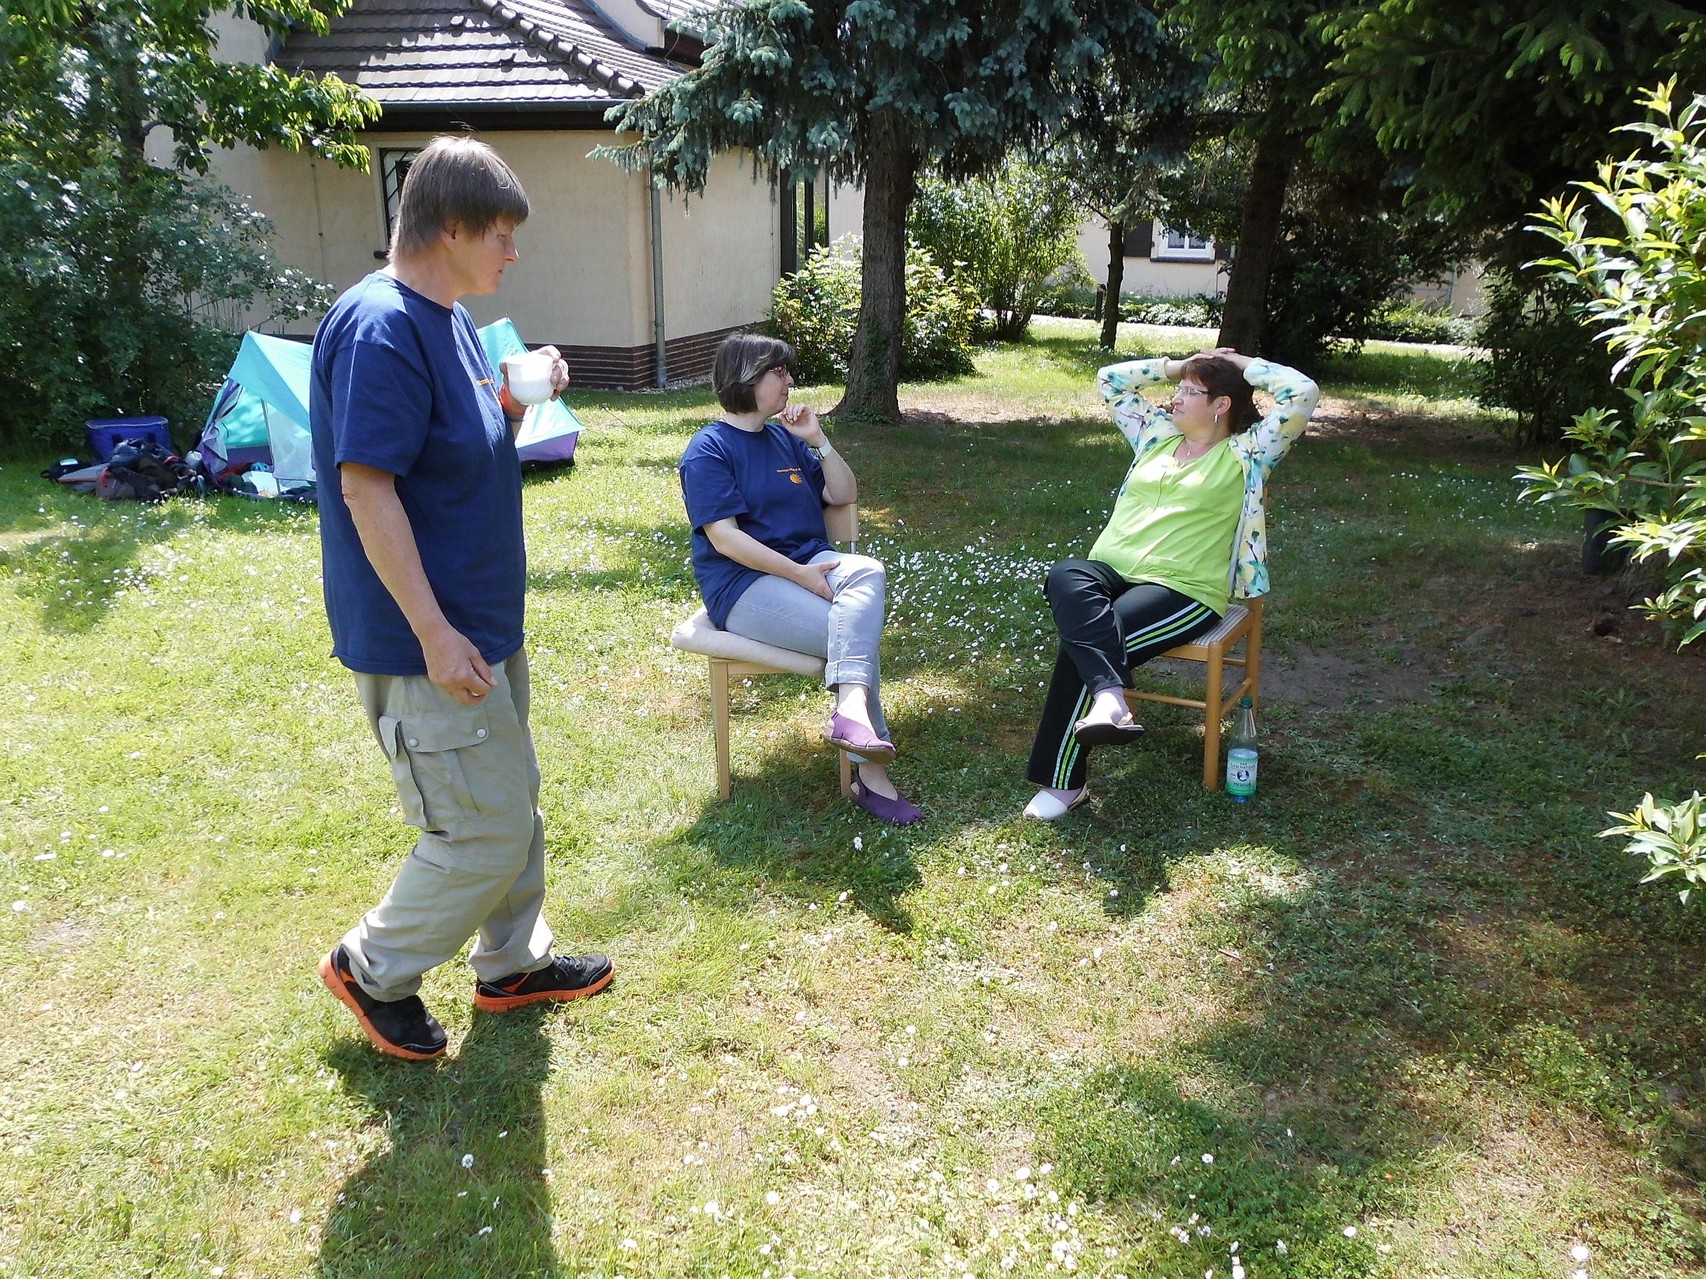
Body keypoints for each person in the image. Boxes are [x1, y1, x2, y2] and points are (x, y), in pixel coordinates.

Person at [310, 135, 613, 1061]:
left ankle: (511, 962)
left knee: (512, 801)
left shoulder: (442, 317)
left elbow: (452, 443)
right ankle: (371, 966)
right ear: (448, 227)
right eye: (500, 235)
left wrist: (518, 404)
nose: (512, 254)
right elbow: (368, 487)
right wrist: (436, 634)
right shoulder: (383, 327)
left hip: (479, 622)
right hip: (427, 641)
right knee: (478, 829)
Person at [1022, 348, 1319, 820]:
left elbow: (1301, 393)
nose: (1174, 399)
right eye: (1177, 389)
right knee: (1065, 574)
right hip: (1112, 569)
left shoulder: (1249, 453)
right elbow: (1110, 380)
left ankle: (1065, 784)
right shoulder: (1154, 436)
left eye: (1188, 392)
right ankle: (1111, 697)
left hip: (1184, 588)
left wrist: (1241, 364)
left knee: (1095, 635)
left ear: (1221, 405)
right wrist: (1180, 365)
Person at [678, 334, 922, 825]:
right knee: (856, 638)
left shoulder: (784, 439)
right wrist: (801, 576)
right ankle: (871, 776)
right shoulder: (708, 450)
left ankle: (850, 707)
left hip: (815, 565)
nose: (790, 381)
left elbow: (844, 492)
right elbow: (725, 540)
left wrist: (819, 441)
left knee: (869, 571)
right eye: (779, 372)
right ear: (747, 378)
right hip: (744, 587)